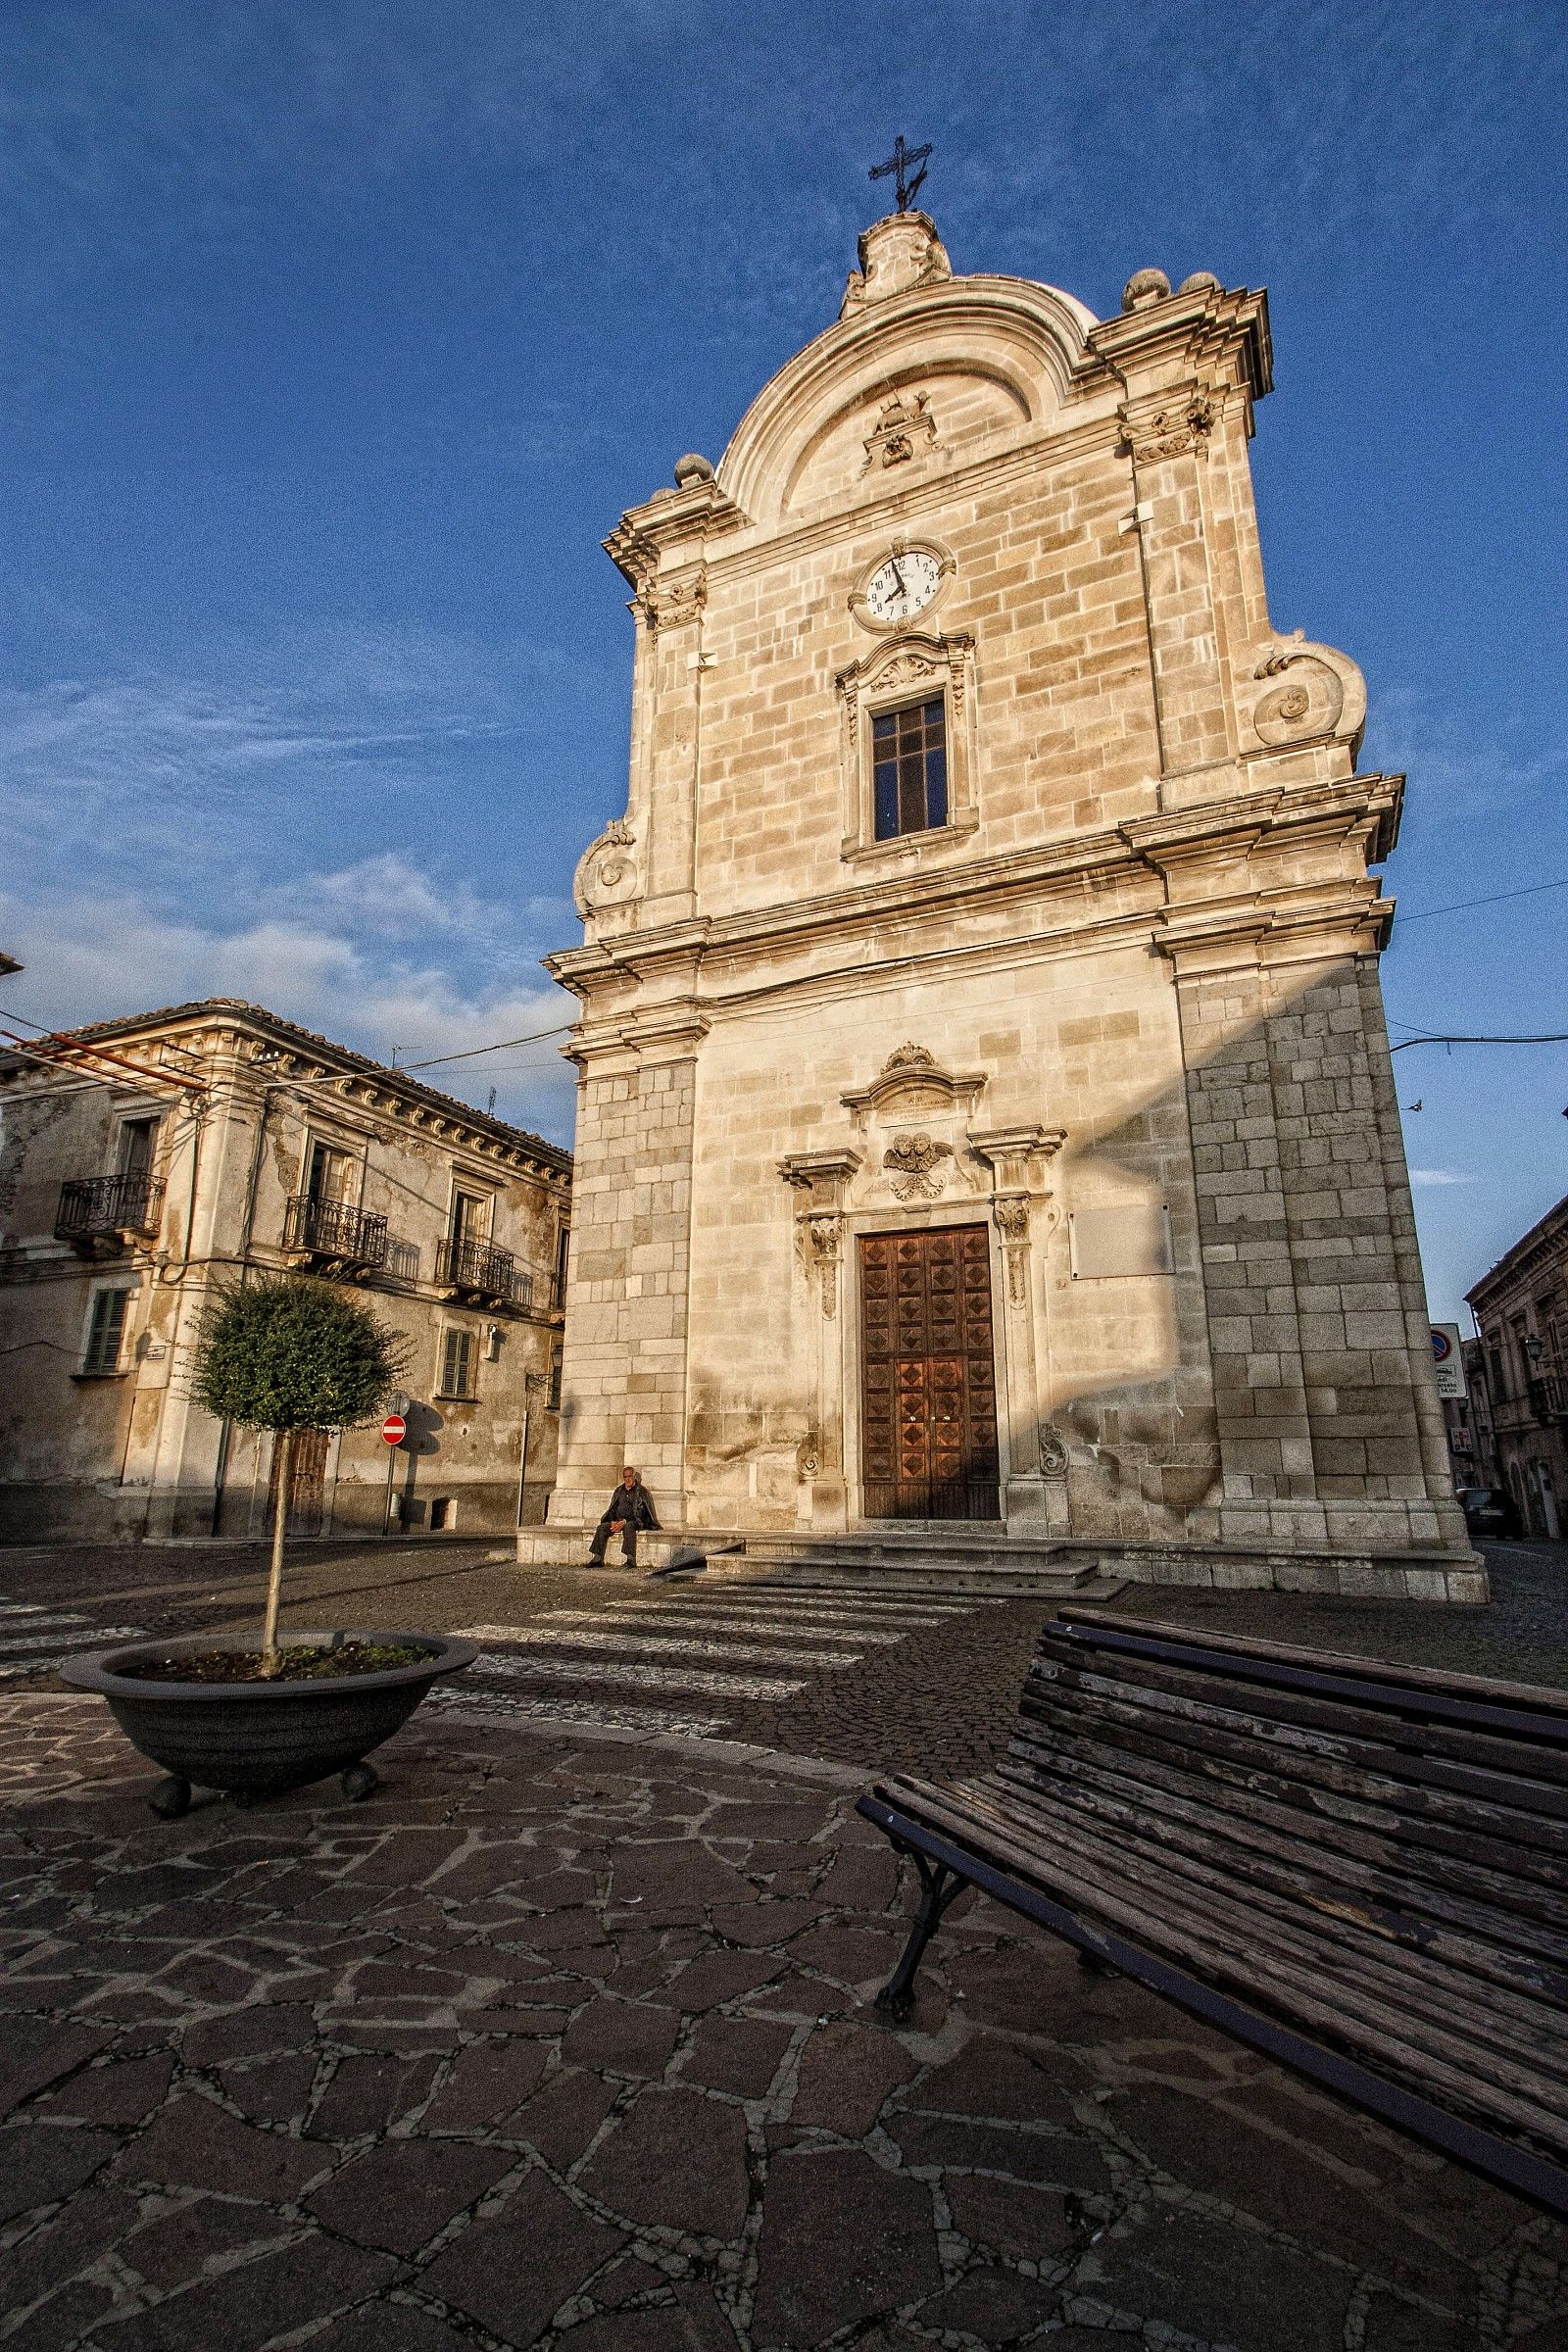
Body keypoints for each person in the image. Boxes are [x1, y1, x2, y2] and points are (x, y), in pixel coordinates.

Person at [587, 1466, 661, 1569]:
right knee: (602, 1528)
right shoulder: (619, 1490)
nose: (627, 1479)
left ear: (634, 1476)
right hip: (618, 1521)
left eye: (630, 1476)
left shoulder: (641, 1492)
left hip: (635, 1521)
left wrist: (625, 1521)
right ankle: (597, 1558)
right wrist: (613, 1521)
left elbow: (641, 1512)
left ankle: (630, 1560)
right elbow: (612, 1508)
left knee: (629, 1527)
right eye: (625, 1477)